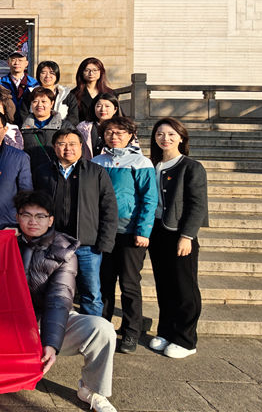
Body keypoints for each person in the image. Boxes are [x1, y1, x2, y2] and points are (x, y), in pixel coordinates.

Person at [15, 190, 118, 412]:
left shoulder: (63, 250)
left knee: (101, 329)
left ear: (50, 220)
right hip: (11, 324)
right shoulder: (6, 244)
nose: (33, 221)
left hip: (47, 322)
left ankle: (91, 389)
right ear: (17, 217)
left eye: (40, 216)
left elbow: (59, 298)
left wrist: (51, 343)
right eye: (26, 215)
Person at [33, 128, 118, 316]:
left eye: (72, 144)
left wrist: (105, 242)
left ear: (81, 146)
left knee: (91, 294)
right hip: (54, 244)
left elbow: (109, 208)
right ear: (54, 147)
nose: (67, 148)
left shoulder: (96, 172)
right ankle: (57, 329)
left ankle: (91, 331)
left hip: (87, 245)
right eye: (62, 144)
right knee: (54, 291)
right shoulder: (42, 172)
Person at [91, 117, 158, 354]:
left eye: (120, 132)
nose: (114, 136)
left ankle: (131, 332)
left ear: (131, 135)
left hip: (130, 233)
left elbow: (149, 199)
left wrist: (143, 231)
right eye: (109, 132)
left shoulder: (140, 162)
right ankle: (102, 328)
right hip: (104, 231)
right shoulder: (97, 161)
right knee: (104, 282)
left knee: (129, 284)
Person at [147, 118, 208, 359]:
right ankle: (166, 331)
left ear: (181, 137)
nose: (165, 139)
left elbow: (197, 205)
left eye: (171, 134)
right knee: (164, 285)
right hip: (157, 231)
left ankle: (186, 339)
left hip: (179, 233)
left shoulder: (191, 167)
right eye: (160, 134)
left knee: (184, 287)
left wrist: (187, 236)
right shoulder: (153, 165)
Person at [20, 86, 75, 173]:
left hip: (58, 173)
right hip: (30, 173)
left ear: (52, 103)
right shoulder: (22, 128)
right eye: (35, 101)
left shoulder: (64, 126)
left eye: (44, 101)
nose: (39, 105)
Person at [19, 61, 75, 125]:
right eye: (43, 73)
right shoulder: (30, 93)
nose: (47, 76)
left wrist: (62, 128)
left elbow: (73, 117)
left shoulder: (66, 94)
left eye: (52, 73)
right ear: (38, 75)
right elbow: (24, 115)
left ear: (57, 75)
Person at [78, 92, 124, 160]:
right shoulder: (83, 127)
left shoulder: (123, 128)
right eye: (98, 106)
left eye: (107, 106)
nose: (103, 109)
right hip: (88, 164)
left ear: (115, 109)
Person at [69, 57, 114, 125]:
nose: (91, 73)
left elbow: (118, 115)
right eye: (87, 70)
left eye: (95, 70)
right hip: (81, 128)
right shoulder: (73, 94)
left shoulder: (109, 92)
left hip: (105, 128)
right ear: (81, 72)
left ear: (101, 72)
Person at [0, 51, 37, 118]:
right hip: (6, 118)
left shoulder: (34, 83)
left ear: (26, 63)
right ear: (8, 63)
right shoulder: (0, 82)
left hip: (28, 119)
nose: (16, 63)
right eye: (13, 60)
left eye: (20, 60)